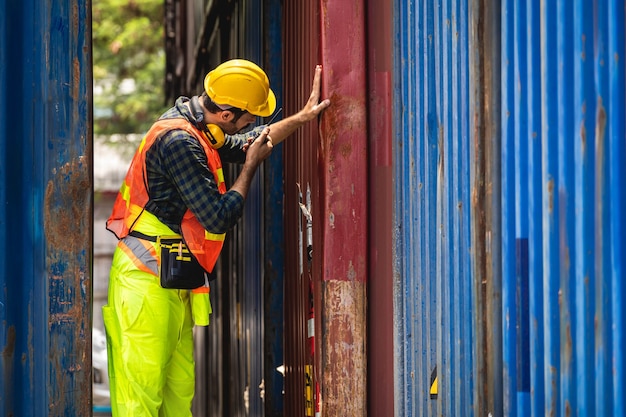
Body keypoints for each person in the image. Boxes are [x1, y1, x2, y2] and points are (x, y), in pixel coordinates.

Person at [102, 59, 330, 416]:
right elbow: (218, 217)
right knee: (140, 402)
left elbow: (247, 143)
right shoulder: (181, 142)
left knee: (178, 397)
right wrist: (251, 167)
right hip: (145, 285)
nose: (253, 122)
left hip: (170, 280)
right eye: (248, 116)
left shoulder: (198, 125)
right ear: (225, 113)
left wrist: (301, 119)